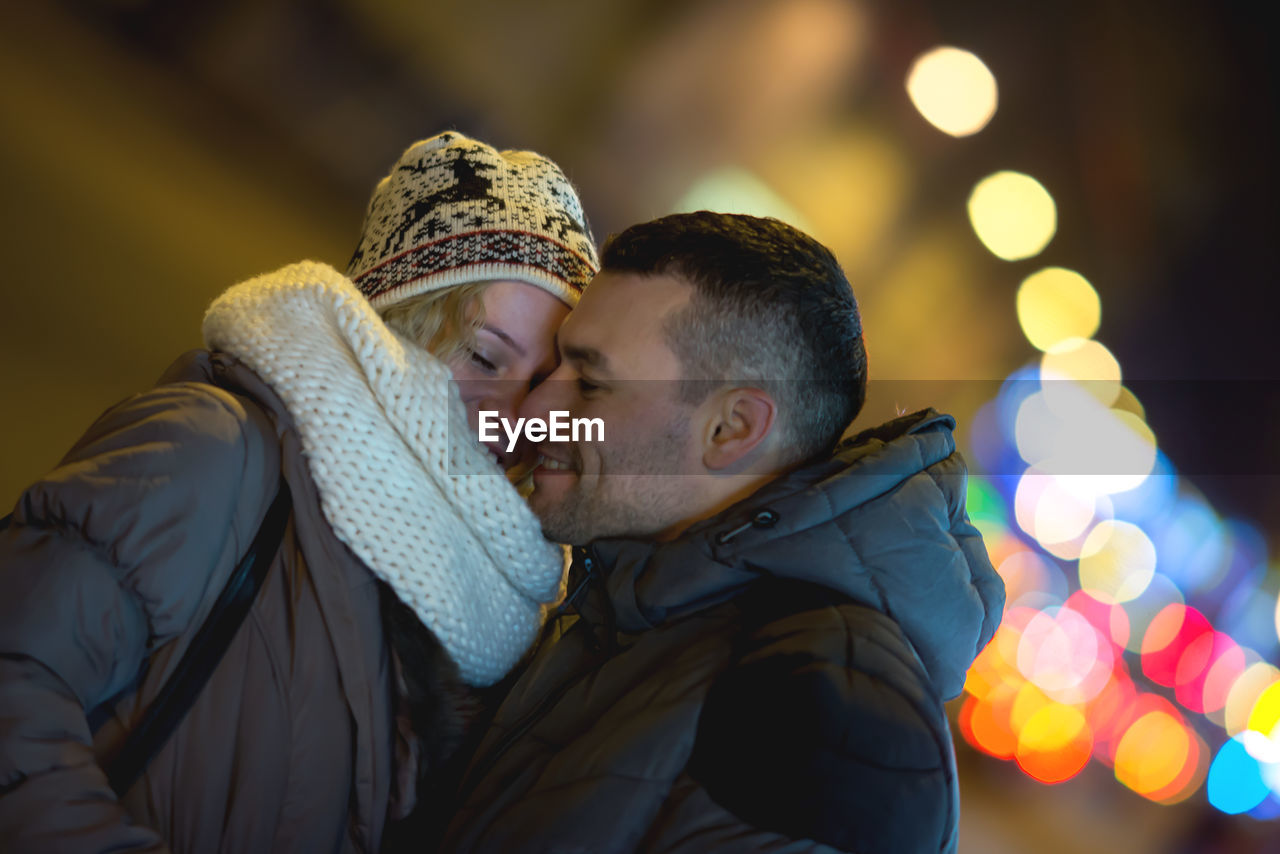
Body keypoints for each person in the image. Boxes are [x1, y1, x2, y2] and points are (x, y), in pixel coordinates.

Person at [0, 131, 598, 853]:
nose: (512, 413)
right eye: (483, 356)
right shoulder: (213, 448)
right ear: (397, 323)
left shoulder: (495, 604)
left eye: (541, 382)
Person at [438, 212, 1006, 854]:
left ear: (731, 429)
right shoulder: (627, 602)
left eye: (591, 384)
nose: (537, 409)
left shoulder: (829, 720)